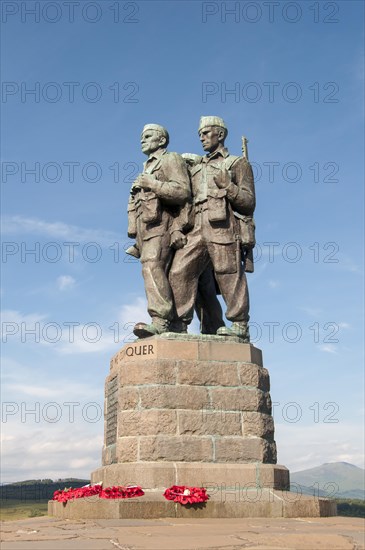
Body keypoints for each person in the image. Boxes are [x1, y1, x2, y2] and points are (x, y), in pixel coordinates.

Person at [169, 116, 256, 341]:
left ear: (220, 134)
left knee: (228, 273)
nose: (202, 138)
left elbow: (248, 202)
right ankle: (179, 323)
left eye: (206, 133)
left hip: (223, 227)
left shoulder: (237, 164)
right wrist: (178, 227)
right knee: (180, 271)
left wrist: (228, 186)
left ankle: (239, 325)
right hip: (196, 226)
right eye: (200, 135)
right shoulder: (198, 168)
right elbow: (187, 202)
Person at [128, 124, 191, 338]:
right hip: (145, 228)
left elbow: (182, 191)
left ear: (161, 140)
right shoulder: (147, 166)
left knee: (152, 266)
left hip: (163, 224)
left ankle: (161, 319)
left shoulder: (170, 159)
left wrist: (153, 184)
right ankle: (171, 321)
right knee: (153, 269)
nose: (142, 140)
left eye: (147, 136)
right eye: (141, 136)